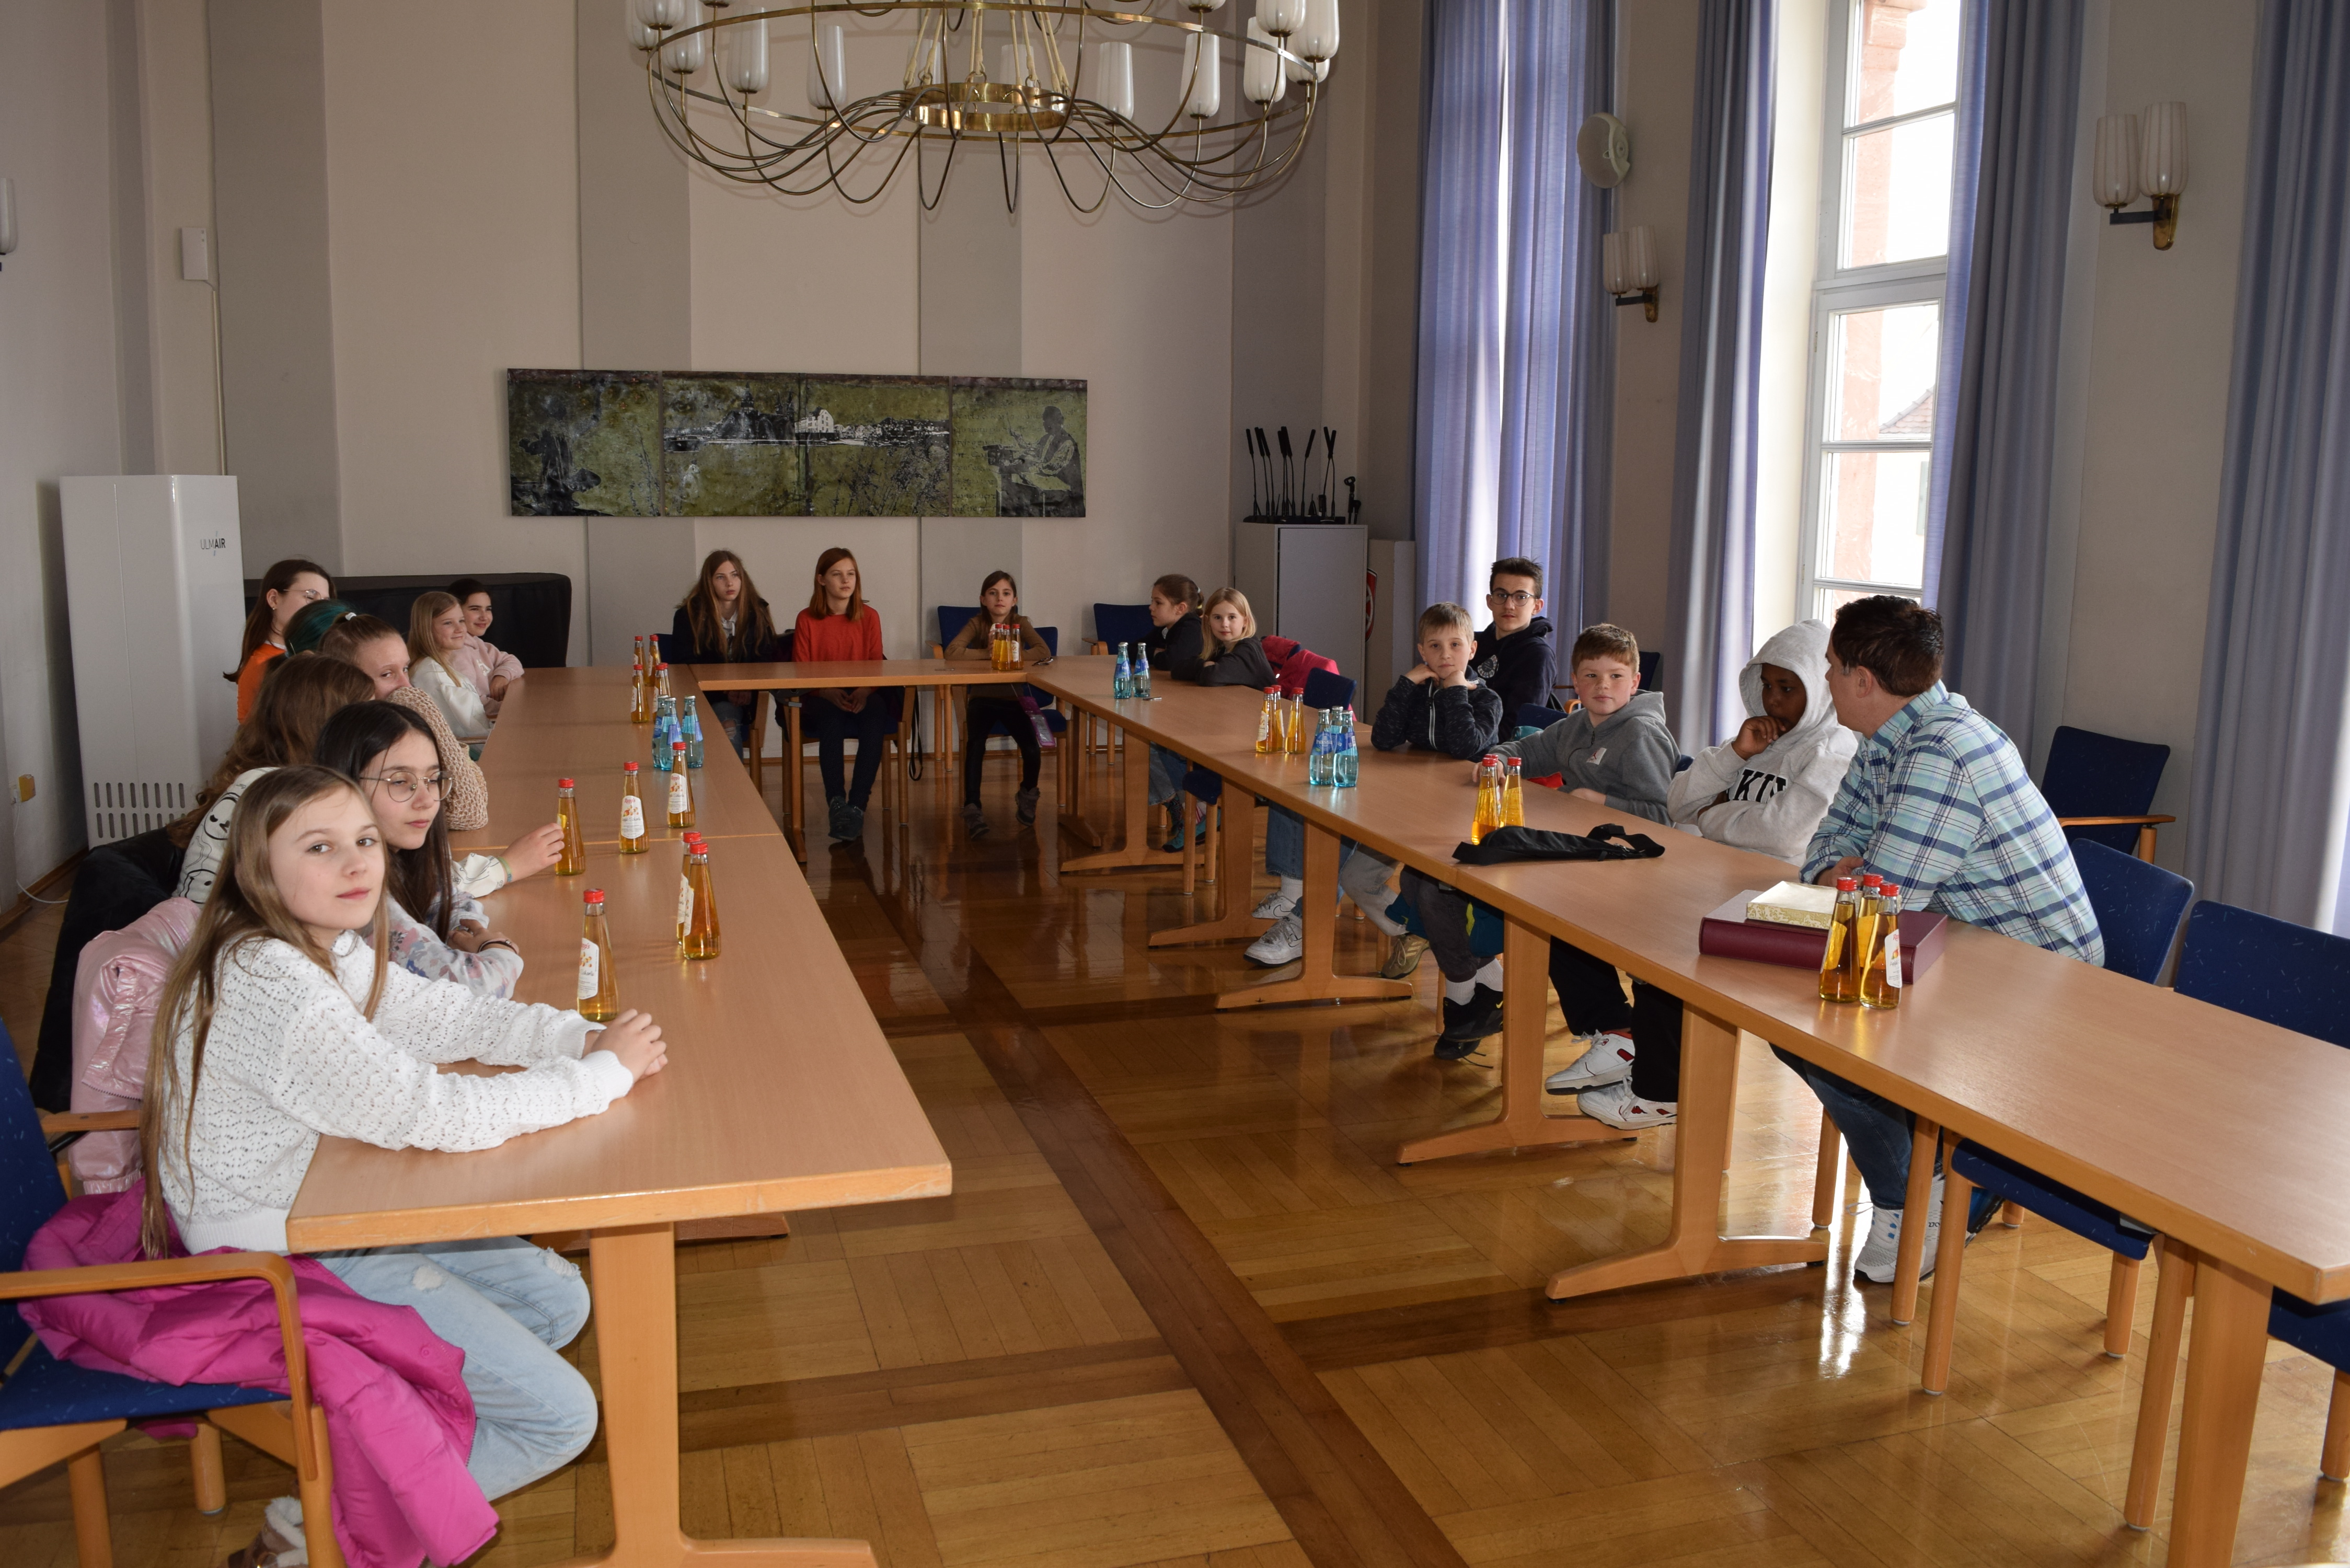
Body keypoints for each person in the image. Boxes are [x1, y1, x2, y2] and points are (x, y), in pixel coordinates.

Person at [140, 764, 669, 1568]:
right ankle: (329, 1538)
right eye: (321, 847)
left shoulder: (317, 944)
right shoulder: (273, 982)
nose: (357, 864)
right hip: (277, 1260)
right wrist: (599, 1080)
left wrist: (572, 1038)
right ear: (258, 867)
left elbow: (441, 1016)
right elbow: (435, 1115)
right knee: (558, 1416)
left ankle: (384, 1445)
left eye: (362, 841)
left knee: (558, 1300)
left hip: (319, 1204)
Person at [1780, 596, 2102, 1284]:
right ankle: (1925, 1177)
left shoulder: (1944, 752)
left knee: (1828, 1032)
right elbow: (1829, 849)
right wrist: (1845, 872)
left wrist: (1856, 876)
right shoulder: (1890, 736)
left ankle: (1922, 1191)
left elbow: (1881, 900)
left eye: (1834, 669)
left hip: (2036, 978)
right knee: (1801, 1024)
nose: (1828, 681)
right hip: (1961, 945)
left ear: (1865, 680)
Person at [1542, 620, 1858, 1129]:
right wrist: (1735, 756)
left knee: (1670, 947)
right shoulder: (1757, 737)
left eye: (1788, 689)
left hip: (1784, 897)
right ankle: (1621, 1035)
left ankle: (1658, 1091)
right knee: (1579, 904)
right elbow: (1676, 800)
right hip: (1718, 874)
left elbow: (1780, 835)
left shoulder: (1831, 751)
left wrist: (1712, 814)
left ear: (1818, 689)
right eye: (1768, 686)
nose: (1774, 701)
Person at [1402, 625, 1677, 1057]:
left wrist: (1601, 802)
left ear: (1636, 682)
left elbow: (1664, 818)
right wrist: (1497, 757)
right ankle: (1482, 986)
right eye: (1590, 676)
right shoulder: (1579, 723)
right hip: (1573, 849)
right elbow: (1529, 752)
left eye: (1615, 677)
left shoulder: (1641, 734)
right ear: (1575, 680)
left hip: (1621, 868)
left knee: (1449, 886)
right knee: (1425, 876)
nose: (1602, 686)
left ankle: (1481, 996)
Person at [297, 605, 567, 894]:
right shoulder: (345, 762)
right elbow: (468, 814)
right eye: (387, 675)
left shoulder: (390, 736)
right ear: (346, 684)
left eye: (404, 669)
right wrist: (504, 868)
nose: (405, 685)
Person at [313, 701, 522, 997]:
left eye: (433, 780)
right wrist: (497, 948)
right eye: (401, 782)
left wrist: (458, 932)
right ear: (345, 783)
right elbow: (481, 987)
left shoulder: (401, 855)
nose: (426, 800)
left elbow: (449, 896)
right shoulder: (354, 893)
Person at [172, 656, 379, 903]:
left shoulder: (289, 782)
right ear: (325, 723)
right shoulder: (270, 789)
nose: (374, 734)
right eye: (364, 721)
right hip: (228, 934)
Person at [792, 547, 896, 843]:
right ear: (822, 580)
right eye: (837, 574)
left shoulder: (870, 616)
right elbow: (801, 671)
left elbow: (877, 664)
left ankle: (858, 805)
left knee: (875, 714)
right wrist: (825, 692)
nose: (845, 581)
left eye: (851, 574)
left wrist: (865, 690)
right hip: (821, 694)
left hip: (863, 689)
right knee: (831, 721)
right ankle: (836, 802)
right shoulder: (807, 619)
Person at [941, 571, 1051, 839]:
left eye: (1005, 593)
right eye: (993, 593)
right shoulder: (977, 624)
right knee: (975, 745)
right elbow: (952, 652)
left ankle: (1027, 793)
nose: (999, 599)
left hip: (1014, 699)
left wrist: (1011, 653)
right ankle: (972, 806)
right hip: (982, 700)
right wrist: (987, 654)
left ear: (1014, 600)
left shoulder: (1020, 622)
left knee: (1032, 747)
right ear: (983, 599)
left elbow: (1043, 651)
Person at [666, 550, 781, 757]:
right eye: (721, 577)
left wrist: (747, 687)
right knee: (726, 718)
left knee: (728, 717)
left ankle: (731, 787)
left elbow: (766, 659)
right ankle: (731, 787)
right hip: (703, 697)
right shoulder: (689, 615)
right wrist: (727, 691)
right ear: (709, 582)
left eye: (735, 575)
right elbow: (685, 667)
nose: (730, 583)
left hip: (746, 698)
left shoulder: (757, 611)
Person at [229, 558, 333, 722]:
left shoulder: (317, 653)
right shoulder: (263, 665)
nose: (319, 609)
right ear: (274, 599)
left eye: (325, 602)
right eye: (310, 597)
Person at [1142, 575, 1204, 844]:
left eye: (1158, 602)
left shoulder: (1190, 627)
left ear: (1180, 608)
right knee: (1145, 742)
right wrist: (1155, 653)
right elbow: (1137, 648)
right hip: (1182, 703)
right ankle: (1182, 810)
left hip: (1199, 712)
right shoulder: (1168, 627)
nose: (1151, 608)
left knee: (1153, 744)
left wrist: (1158, 655)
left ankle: (1191, 812)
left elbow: (1170, 662)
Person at [1470, 557, 1558, 717]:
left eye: (1521, 597)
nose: (1509, 605)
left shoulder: (1538, 655)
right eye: (1501, 595)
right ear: (1490, 601)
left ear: (1537, 607)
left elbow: (1521, 727)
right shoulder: (1471, 645)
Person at [408, 591, 490, 740]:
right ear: (426, 628)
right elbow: (472, 736)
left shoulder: (442, 666)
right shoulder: (433, 675)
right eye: (448, 623)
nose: (460, 629)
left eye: (462, 621)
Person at [448, 577, 525, 722]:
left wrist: (501, 676)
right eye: (475, 609)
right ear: (455, 612)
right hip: (486, 726)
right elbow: (474, 704)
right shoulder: (458, 653)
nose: (484, 617)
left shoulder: (480, 644)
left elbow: (511, 660)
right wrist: (512, 709)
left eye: (488, 609)